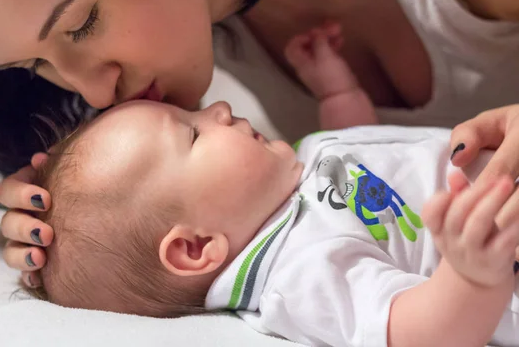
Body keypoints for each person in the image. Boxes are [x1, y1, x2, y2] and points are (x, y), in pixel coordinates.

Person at [0, 0, 519, 288]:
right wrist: (70, 230)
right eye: (35, 65)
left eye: (81, 25)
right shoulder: (211, 39)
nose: (92, 91)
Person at [30, 96, 519, 347]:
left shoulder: (293, 177)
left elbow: (366, 164)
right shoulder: (302, 269)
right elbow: (410, 333)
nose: (217, 109)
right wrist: (472, 275)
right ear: (196, 247)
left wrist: (338, 92)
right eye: (193, 134)